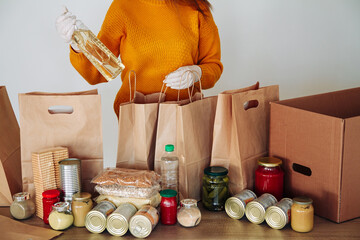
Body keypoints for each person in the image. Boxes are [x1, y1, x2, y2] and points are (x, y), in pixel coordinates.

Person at [56, 0, 223, 118]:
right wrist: (77, 43)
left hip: (185, 114)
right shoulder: (123, 6)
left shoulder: (197, 8)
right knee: (139, 169)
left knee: (181, 168)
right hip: (136, 117)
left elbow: (213, 66)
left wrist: (197, 73)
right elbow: (98, 72)